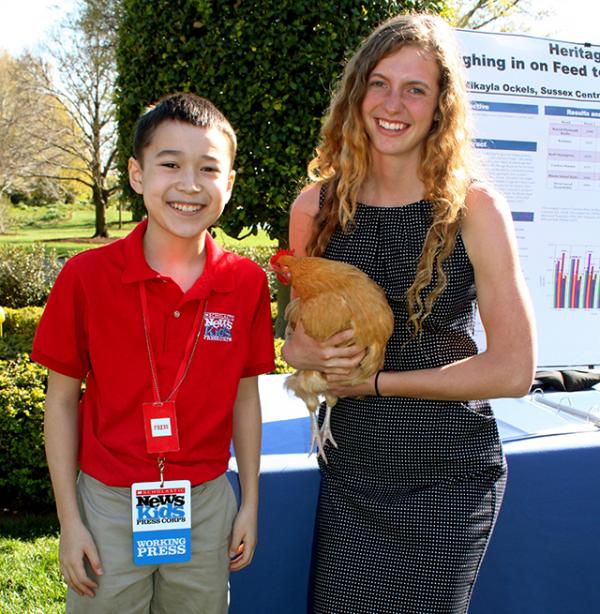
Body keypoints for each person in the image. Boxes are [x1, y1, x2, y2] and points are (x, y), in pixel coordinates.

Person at [282, 12, 536, 614]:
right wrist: (305, 353)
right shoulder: (315, 207)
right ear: (357, 92)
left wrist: (373, 382)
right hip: (355, 466)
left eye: (415, 88)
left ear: (441, 105)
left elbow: (513, 370)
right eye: (380, 83)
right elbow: (292, 340)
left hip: (450, 474)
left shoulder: (474, 208)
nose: (393, 103)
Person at [32, 93, 275, 613]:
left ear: (228, 184)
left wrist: (250, 503)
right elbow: (60, 402)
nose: (189, 185)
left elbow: (246, 399)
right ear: (138, 175)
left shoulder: (246, 283)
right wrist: (69, 521)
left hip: (206, 501)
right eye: (170, 165)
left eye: (209, 168)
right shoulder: (86, 278)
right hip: (108, 503)